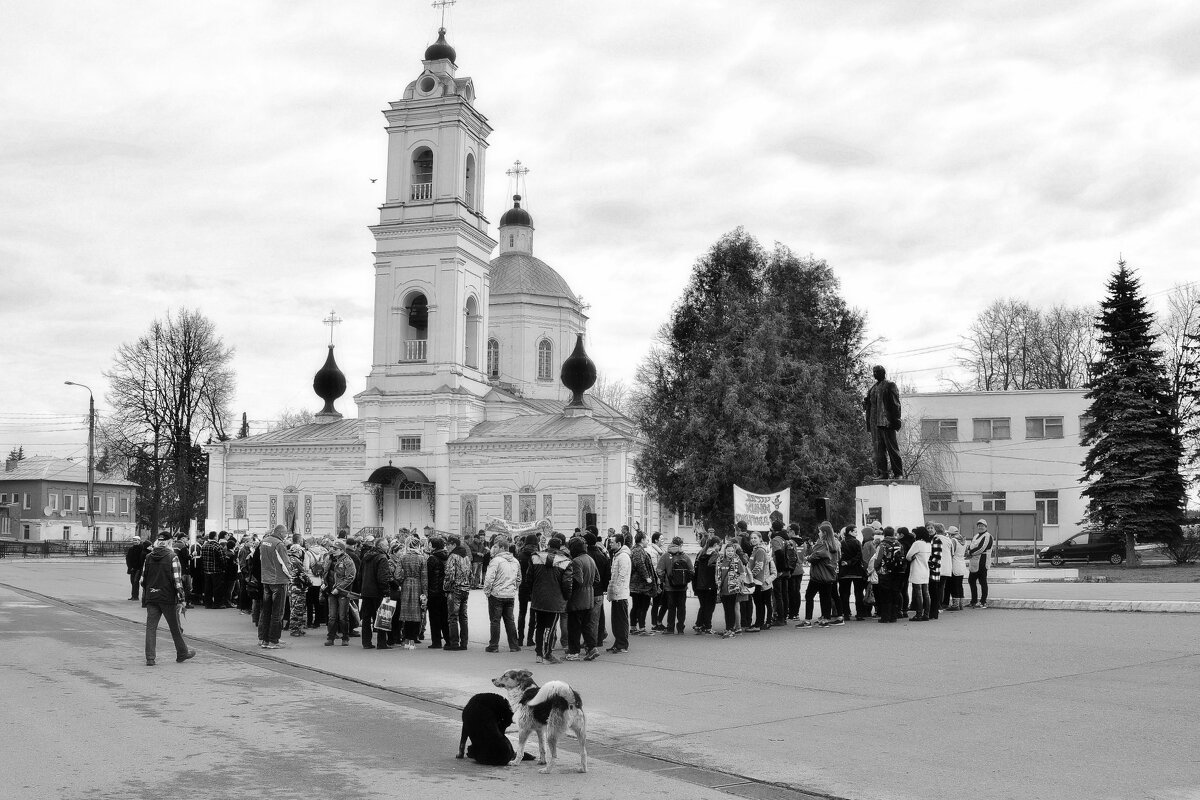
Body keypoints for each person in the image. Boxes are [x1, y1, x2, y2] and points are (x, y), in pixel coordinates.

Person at [141, 532, 195, 666]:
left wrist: (150, 590)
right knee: (175, 627)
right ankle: (182, 653)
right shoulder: (172, 557)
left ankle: (150, 658)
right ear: (170, 543)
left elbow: (143, 579)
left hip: (152, 596)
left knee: (151, 628)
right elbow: (177, 581)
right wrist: (182, 598)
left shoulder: (148, 557)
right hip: (167, 597)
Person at [528, 537, 573, 665]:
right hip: (555, 599)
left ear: (548, 545)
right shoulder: (565, 561)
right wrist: (566, 597)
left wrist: (533, 593)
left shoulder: (535, 557)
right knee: (550, 627)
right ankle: (547, 654)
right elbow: (567, 584)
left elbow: (529, 578)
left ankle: (539, 654)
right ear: (560, 547)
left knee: (540, 626)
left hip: (538, 598)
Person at [863, 364, 903, 480]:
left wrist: (896, 420)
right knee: (878, 450)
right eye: (874, 372)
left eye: (877, 372)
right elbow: (870, 403)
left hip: (886, 422)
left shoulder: (890, 385)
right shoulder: (873, 388)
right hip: (874, 422)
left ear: (883, 372)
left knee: (892, 449)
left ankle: (898, 473)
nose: (875, 374)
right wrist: (866, 404)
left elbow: (896, 404)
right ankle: (882, 473)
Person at [483, 535, 521, 653]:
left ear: (502, 548)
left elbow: (489, 578)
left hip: (497, 594)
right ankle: (514, 645)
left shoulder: (496, 561)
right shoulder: (515, 561)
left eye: (496, 546)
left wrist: (487, 592)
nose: (494, 549)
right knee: (510, 620)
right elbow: (519, 578)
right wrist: (514, 588)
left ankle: (494, 645)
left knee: (495, 620)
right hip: (510, 595)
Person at [798, 523, 841, 627]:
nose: (818, 533)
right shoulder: (834, 544)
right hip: (829, 574)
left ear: (824, 533)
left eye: (820, 531)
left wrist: (807, 558)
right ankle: (825, 619)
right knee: (826, 597)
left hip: (818, 574)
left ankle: (808, 620)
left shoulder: (822, 544)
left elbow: (815, 556)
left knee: (809, 595)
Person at [257, 525, 292, 649]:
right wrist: (291, 576)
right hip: (278, 581)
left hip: (266, 579)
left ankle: (264, 639)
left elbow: (261, 559)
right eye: (285, 533)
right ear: (280, 533)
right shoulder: (279, 544)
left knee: (266, 611)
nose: (286, 536)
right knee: (277, 612)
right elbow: (285, 563)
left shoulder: (264, 542)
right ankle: (273, 640)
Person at [564, 537, 599, 661]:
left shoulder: (576, 561)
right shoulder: (590, 559)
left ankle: (574, 652)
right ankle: (592, 648)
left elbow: (578, 580)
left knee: (574, 626)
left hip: (577, 598)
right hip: (589, 597)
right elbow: (597, 579)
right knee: (586, 625)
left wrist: (568, 589)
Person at [358, 538, 394, 650]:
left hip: (366, 591)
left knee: (366, 617)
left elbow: (360, 574)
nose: (388, 547)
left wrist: (361, 588)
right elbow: (383, 577)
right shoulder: (382, 558)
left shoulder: (366, 556)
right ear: (381, 546)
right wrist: (386, 592)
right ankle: (381, 642)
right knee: (382, 616)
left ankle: (366, 642)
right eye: (386, 545)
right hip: (377, 591)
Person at [393, 536, 428, 649]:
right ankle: (412, 641)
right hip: (418, 585)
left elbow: (397, 575)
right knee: (416, 613)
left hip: (406, 586)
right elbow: (424, 577)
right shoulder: (422, 558)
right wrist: (425, 592)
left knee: (406, 614)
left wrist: (404, 579)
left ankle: (406, 639)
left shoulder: (402, 557)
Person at [657, 536, 693, 635]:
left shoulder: (665, 556)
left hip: (669, 587)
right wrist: (685, 581)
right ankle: (680, 628)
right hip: (682, 587)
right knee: (682, 608)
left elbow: (659, 570)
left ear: (672, 543)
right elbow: (691, 571)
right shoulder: (685, 556)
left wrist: (664, 580)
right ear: (681, 545)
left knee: (671, 607)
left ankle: (670, 628)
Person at [323, 539, 356, 646]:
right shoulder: (329, 558)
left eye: (335, 548)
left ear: (342, 550)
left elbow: (350, 577)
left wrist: (339, 588)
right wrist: (325, 583)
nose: (333, 550)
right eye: (332, 548)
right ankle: (330, 637)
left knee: (343, 616)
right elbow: (326, 572)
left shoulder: (348, 560)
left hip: (342, 592)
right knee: (331, 616)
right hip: (331, 591)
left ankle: (345, 637)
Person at [443, 535, 472, 650]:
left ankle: (454, 643)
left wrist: (446, 588)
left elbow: (450, 574)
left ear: (454, 545)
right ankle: (464, 643)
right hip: (465, 589)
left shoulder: (453, 557)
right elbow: (471, 574)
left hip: (455, 589)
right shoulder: (466, 557)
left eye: (448, 545)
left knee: (453, 617)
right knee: (463, 617)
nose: (447, 547)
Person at [715, 541, 749, 638]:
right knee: (726, 610)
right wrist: (718, 585)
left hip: (733, 590)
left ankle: (731, 629)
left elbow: (743, 574)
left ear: (734, 552)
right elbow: (717, 574)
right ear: (725, 551)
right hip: (722, 589)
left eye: (732, 551)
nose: (730, 552)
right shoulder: (720, 560)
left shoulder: (737, 560)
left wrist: (737, 582)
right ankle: (728, 628)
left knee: (731, 609)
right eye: (728, 551)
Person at [628, 532, 658, 637]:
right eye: (646, 540)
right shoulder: (637, 550)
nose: (648, 542)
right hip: (640, 585)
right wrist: (647, 577)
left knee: (637, 606)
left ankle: (634, 627)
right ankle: (641, 628)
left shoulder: (636, 550)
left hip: (637, 584)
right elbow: (639, 564)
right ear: (641, 540)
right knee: (642, 606)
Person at [606, 533, 631, 654]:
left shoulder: (623, 557)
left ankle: (622, 644)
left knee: (621, 620)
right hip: (617, 594)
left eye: (612, 542)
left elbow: (622, 575)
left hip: (620, 594)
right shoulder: (617, 555)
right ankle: (618, 643)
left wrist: (615, 590)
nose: (610, 544)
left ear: (619, 544)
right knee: (616, 621)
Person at [872, 526, 904, 623]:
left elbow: (877, 559)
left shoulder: (882, 545)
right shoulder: (899, 544)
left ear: (884, 534)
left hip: (885, 572)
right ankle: (893, 616)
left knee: (885, 595)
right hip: (897, 572)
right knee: (895, 593)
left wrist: (877, 568)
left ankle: (885, 616)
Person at [584, 531, 610, 648]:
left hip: (587, 590)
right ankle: (598, 639)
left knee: (588, 618)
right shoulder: (602, 556)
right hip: (599, 591)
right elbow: (607, 575)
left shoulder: (585, 556)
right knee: (598, 616)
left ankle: (590, 643)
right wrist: (603, 588)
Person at [838, 526, 867, 621]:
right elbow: (859, 556)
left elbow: (839, 556)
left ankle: (846, 613)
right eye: (855, 531)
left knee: (844, 593)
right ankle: (859, 613)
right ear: (850, 532)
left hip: (844, 571)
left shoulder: (841, 543)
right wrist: (851, 562)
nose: (857, 533)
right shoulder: (857, 542)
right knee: (858, 593)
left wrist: (845, 562)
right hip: (857, 571)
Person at [692, 536, 720, 634]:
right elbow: (715, 570)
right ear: (716, 545)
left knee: (703, 606)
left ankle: (699, 624)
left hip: (699, 584)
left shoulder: (700, 553)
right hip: (710, 584)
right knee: (710, 606)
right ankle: (708, 627)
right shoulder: (715, 554)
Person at [425, 536, 450, 649]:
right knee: (445, 617)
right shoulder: (447, 556)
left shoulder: (432, 558)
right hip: (445, 591)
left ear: (433, 546)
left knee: (434, 617)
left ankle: (436, 641)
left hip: (434, 591)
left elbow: (428, 575)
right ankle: (448, 640)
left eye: (430, 544)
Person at [746, 532, 773, 631]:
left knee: (759, 603)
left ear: (760, 539)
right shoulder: (755, 550)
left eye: (755, 538)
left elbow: (759, 566)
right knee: (759, 603)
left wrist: (750, 577)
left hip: (757, 580)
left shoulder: (760, 551)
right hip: (756, 580)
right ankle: (759, 623)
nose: (753, 540)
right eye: (751, 538)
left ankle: (758, 624)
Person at [515, 533, 539, 648]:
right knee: (533, 613)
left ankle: (520, 639)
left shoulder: (520, 555)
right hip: (534, 586)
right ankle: (530, 639)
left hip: (523, 586)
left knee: (522, 612)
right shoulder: (537, 556)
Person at [967, 519, 995, 608]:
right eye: (979, 525)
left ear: (986, 527)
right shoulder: (975, 536)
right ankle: (974, 601)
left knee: (982, 581)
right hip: (974, 562)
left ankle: (983, 601)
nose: (980, 527)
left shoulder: (988, 536)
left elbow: (982, 548)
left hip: (982, 562)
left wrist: (970, 552)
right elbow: (971, 546)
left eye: (982, 525)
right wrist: (969, 550)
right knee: (971, 580)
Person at [906, 526, 932, 621]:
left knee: (918, 593)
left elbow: (908, 556)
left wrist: (913, 558)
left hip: (917, 569)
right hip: (925, 570)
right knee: (926, 593)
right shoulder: (928, 544)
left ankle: (919, 614)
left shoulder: (917, 543)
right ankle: (926, 614)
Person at [947, 526, 967, 611]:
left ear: (950, 534)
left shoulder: (953, 541)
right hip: (962, 564)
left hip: (954, 563)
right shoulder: (964, 541)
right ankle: (961, 604)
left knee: (953, 585)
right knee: (959, 585)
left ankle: (955, 605)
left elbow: (951, 553)